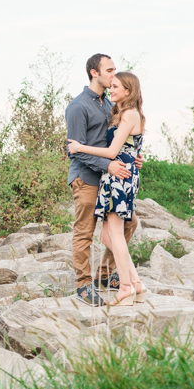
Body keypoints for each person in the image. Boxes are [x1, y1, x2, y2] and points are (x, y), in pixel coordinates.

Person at [65, 54, 142, 307]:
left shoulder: (109, 103)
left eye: (115, 70)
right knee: (85, 232)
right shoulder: (78, 107)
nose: (113, 75)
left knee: (128, 224)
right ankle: (84, 286)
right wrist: (108, 163)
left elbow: (119, 138)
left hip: (110, 176)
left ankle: (107, 275)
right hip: (87, 176)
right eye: (109, 70)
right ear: (93, 73)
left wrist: (132, 157)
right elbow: (74, 149)